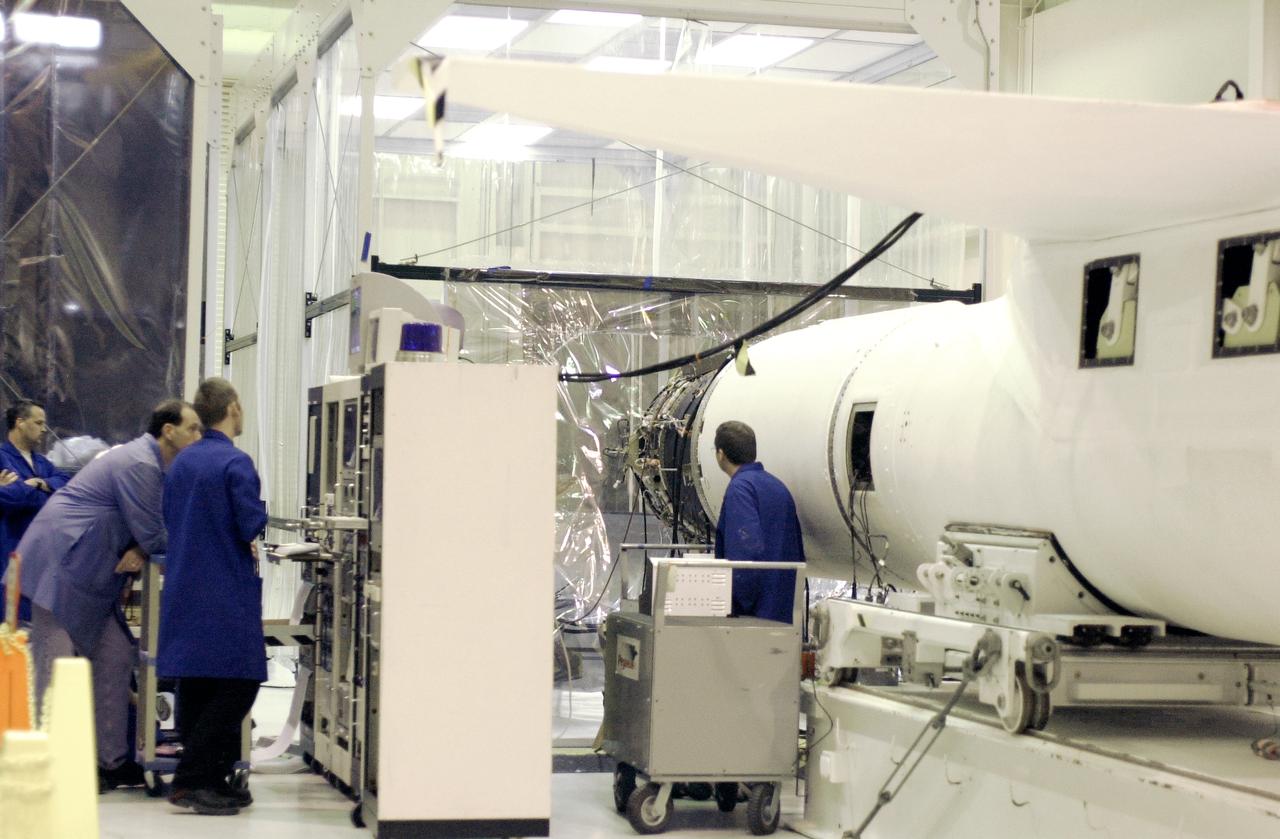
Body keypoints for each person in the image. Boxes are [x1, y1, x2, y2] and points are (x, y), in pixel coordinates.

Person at [18, 400, 202, 789]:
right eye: (193, 429)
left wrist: (141, 547)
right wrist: (147, 546)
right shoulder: (141, 464)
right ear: (169, 431)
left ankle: (111, 761)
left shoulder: (157, 466)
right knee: (54, 669)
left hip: (93, 575)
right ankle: (49, 768)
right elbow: (155, 534)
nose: (198, 437)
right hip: (60, 564)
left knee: (116, 657)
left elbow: (151, 531)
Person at [159, 378, 267, 816]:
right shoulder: (235, 463)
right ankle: (190, 779)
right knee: (241, 681)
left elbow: (170, 516)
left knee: (199, 683)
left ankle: (213, 777)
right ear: (233, 408)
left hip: (186, 584)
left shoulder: (182, 462)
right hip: (224, 587)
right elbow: (249, 523)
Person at [713, 421, 805, 623]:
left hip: (754, 614)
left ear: (721, 454)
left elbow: (746, 552)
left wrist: (736, 605)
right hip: (782, 609)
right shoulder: (776, 485)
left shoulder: (740, 489)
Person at [0, 401, 70, 617]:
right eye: (39, 423)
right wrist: (43, 491)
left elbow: (66, 485)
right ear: (20, 422)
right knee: (12, 618)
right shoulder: (2, 456)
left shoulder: (41, 462)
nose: (44, 429)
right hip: (11, 546)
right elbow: (9, 498)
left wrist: (37, 483)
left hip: (41, 551)